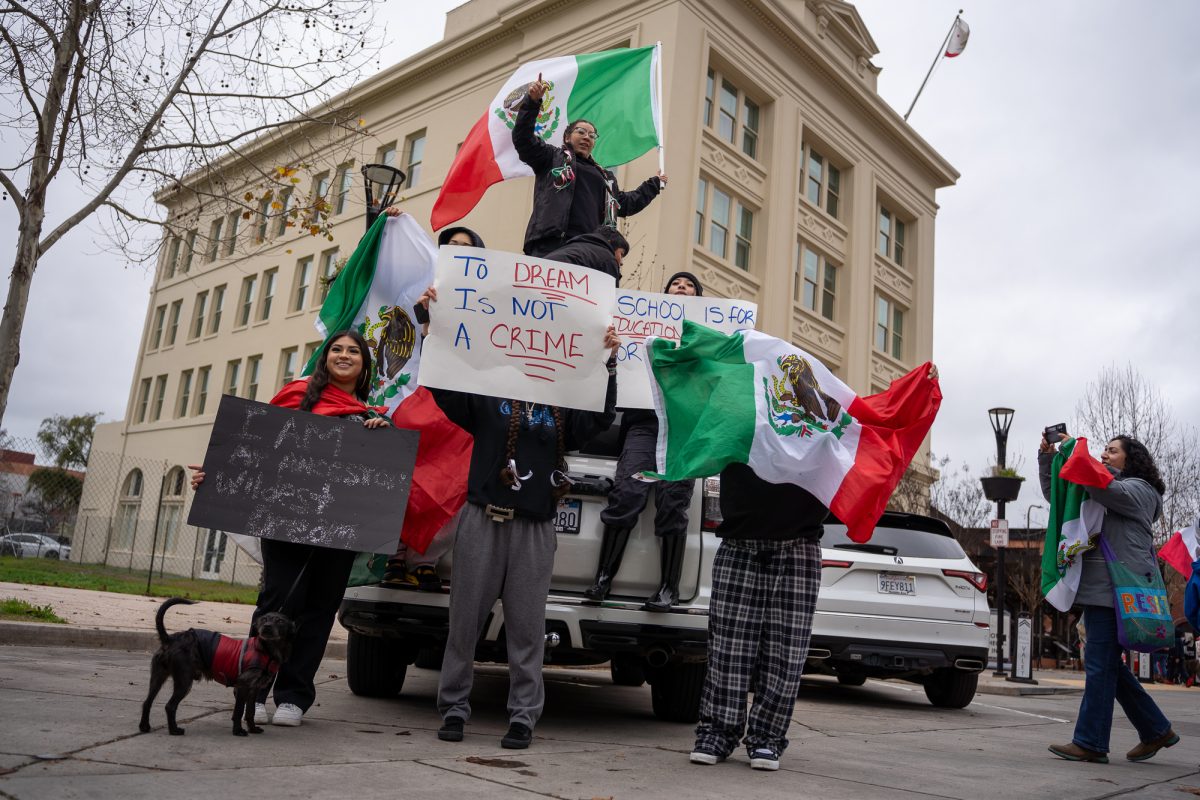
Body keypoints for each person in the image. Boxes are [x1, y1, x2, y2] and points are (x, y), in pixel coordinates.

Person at [690, 363, 940, 772]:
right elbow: (697, 398)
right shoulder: (743, 414)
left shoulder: (828, 429)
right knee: (729, 650)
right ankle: (717, 733)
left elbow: (880, 424)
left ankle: (767, 739)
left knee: (785, 654)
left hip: (798, 549)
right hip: (740, 545)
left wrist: (918, 390)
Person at [420, 284, 620, 750]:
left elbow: (601, 417)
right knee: (464, 622)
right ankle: (453, 708)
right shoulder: (486, 397)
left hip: (534, 527)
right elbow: (444, 384)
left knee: (528, 628)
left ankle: (524, 716)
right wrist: (435, 321)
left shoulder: (563, 410)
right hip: (481, 520)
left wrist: (608, 362)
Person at [189, 331, 391, 727]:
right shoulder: (296, 397)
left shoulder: (373, 416)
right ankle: (256, 690)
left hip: (339, 532)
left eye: (353, 351)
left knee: (319, 610)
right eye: (336, 349)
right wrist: (215, 476)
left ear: (364, 364)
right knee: (277, 604)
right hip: (286, 522)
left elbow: (379, 475)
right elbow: (255, 445)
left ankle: (293, 698)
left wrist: (380, 436)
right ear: (324, 358)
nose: (344, 355)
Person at [1040, 432, 1179, 763]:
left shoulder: (1141, 492)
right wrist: (1049, 459)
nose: (1104, 454)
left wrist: (1077, 450)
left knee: (1101, 666)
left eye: (1112, 451)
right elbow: (1061, 494)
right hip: (1101, 587)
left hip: (1115, 589)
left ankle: (1091, 742)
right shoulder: (1101, 485)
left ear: (1130, 459)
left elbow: (1103, 486)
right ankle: (1156, 729)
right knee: (1107, 666)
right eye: (1102, 450)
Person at [586, 271, 703, 610]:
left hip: (684, 430)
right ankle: (602, 579)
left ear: (701, 299)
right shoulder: (642, 324)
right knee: (626, 492)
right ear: (664, 293)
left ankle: (669, 588)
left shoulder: (705, 337)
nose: (681, 288)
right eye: (675, 284)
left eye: (689, 286)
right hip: (644, 426)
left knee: (673, 500)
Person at [382, 220, 486, 592]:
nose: (459, 249)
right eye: (452, 244)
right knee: (407, 479)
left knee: (452, 485)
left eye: (468, 246)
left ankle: (425, 559)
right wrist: (389, 221)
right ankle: (396, 554)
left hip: (460, 408)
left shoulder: (489, 300)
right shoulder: (422, 289)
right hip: (420, 400)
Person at [513, 74, 664, 257]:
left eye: (592, 136)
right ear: (567, 137)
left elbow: (625, 204)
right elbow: (523, 140)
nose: (587, 137)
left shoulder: (605, 177)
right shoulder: (551, 157)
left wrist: (654, 185)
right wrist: (532, 103)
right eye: (581, 132)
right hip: (552, 242)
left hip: (590, 248)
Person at [544, 225, 629, 286]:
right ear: (610, 243)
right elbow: (611, 297)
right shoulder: (607, 258)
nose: (621, 262)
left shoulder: (571, 247)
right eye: (621, 254)